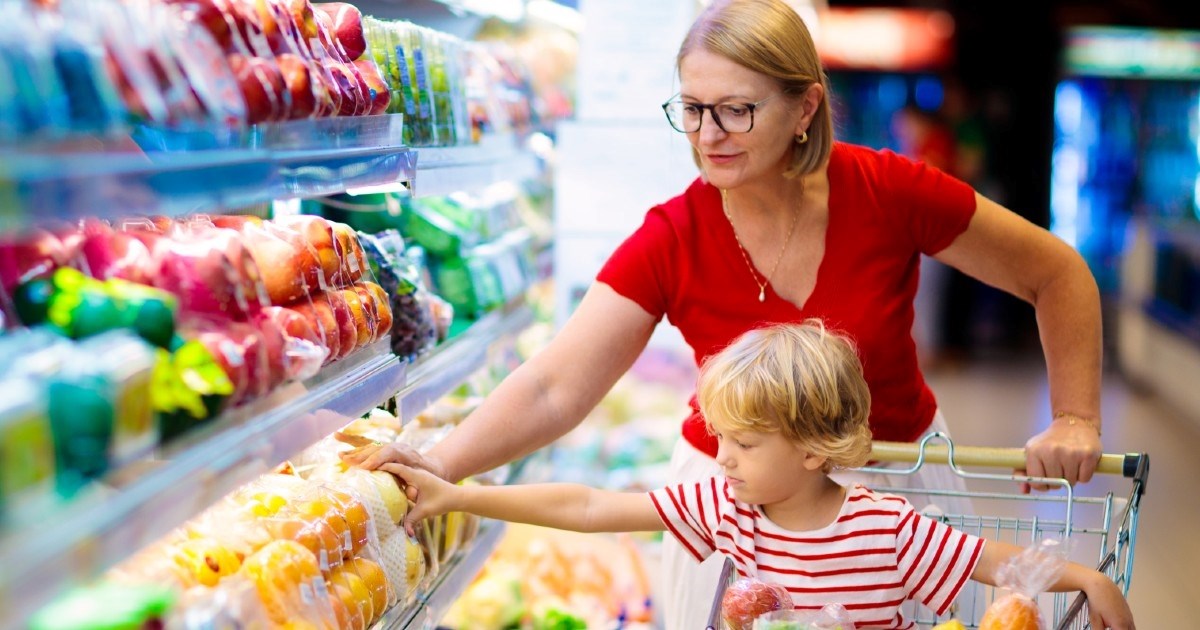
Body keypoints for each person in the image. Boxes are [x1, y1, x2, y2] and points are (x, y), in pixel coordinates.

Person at [345, 1, 1106, 626]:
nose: (708, 136)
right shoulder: (675, 234)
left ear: (805, 106)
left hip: (892, 500)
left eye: (737, 110)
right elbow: (555, 387)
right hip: (736, 506)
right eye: (693, 109)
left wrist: (1075, 416)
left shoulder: (887, 191)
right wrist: (440, 464)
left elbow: (1056, 272)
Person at [367, 322, 1134, 630]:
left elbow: (1003, 566)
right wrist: (457, 489)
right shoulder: (729, 509)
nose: (720, 456)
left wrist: (1093, 582)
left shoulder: (886, 528)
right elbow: (594, 503)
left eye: (740, 442)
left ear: (813, 450)